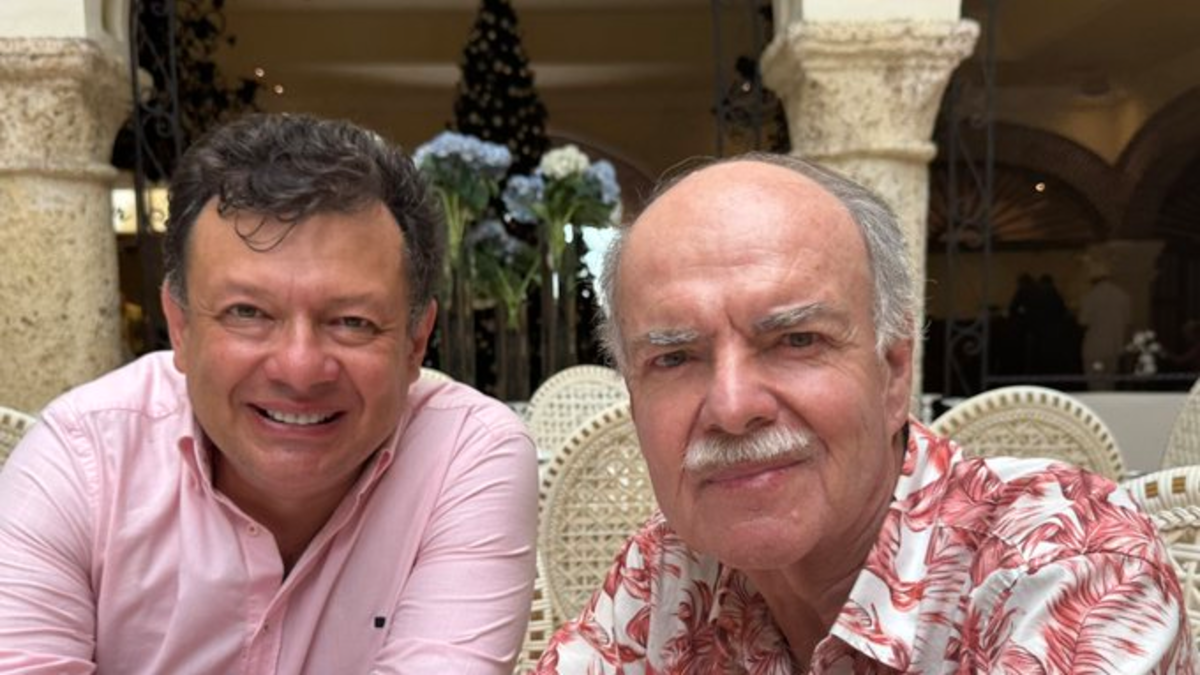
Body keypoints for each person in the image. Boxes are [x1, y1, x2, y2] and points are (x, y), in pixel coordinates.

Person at [535, 154, 1193, 673]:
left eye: (796, 340)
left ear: (894, 373)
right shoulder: (670, 567)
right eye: (675, 357)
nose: (732, 408)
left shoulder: (1072, 564)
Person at [0, 113, 538, 673]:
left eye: (352, 321)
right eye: (247, 313)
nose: (299, 368)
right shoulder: (83, 458)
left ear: (415, 343)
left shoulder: (465, 455)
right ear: (180, 327)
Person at [1079, 261, 1132, 389]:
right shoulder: (1122, 296)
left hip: (1095, 350)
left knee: (1096, 384)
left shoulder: (1091, 296)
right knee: (1110, 385)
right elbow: (1128, 323)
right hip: (1114, 349)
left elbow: (1083, 321)